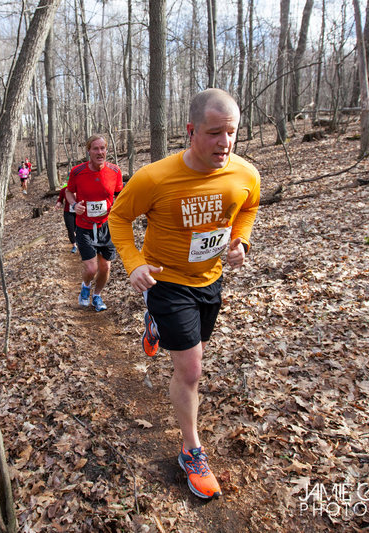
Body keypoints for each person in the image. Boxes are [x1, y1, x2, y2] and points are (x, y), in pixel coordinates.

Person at [108, 89, 260, 500]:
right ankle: (191, 449)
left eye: (231, 133)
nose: (225, 143)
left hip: (210, 281)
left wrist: (241, 242)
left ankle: (155, 326)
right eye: (214, 133)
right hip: (167, 281)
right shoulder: (155, 177)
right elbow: (118, 218)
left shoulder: (244, 173)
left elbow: (248, 208)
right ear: (191, 130)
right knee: (191, 370)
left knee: (192, 354)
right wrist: (134, 262)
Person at [66, 134, 123, 312]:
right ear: (89, 151)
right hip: (84, 226)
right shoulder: (77, 172)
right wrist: (75, 206)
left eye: (103, 148)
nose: (100, 152)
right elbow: (69, 192)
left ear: (106, 150)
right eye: (95, 148)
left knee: (105, 267)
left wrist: (119, 209)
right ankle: (85, 286)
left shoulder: (115, 171)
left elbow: (119, 194)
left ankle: (97, 296)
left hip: (106, 226)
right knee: (91, 268)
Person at [55, 182, 78, 253]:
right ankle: (74, 245)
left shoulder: (80, 188)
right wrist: (58, 205)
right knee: (70, 229)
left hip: (79, 213)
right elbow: (60, 200)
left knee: (79, 229)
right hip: (68, 213)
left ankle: (81, 243)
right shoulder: (64, 190)